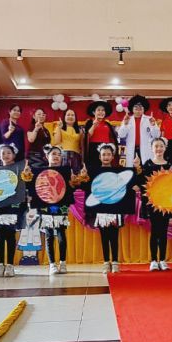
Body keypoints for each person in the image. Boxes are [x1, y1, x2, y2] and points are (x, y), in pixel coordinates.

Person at [28, 145, 71, 275]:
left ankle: (62, 262)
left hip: (61, 206)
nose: (56, 157)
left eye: (59, 154)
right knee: (49, 236)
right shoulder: (40, 172)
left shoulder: (65, 172)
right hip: (45, 206)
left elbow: (71, 188)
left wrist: (74, 181)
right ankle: (52, 264)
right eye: (53, 154)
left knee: (61, 235)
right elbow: (34, 188)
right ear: (47, 156)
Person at [0, 144, 27, 278]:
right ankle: (0, 265)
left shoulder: (19, 170)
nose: (5, 155)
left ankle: (10, 265)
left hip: (13, 208)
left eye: (8, 153)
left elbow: (24, 186)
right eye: (3, 153)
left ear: (14, 155)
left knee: (10, 237)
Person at [87, 143, 125, 273]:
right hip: (101, 209)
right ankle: (106, 262)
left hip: (115, 208)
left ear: (113, 156)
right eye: (103, 154)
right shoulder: (94, 172)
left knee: (114, 236)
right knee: (104, 236)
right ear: (99, 157)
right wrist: (84, 177)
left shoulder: (119, 172)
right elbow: (89, 188)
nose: (106, 157)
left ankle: (115, 262)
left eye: (109, 154)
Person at [142, 138, 172, 272]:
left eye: (161, 146)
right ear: (152, 148)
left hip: (166, 203)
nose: (159, 149)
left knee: (163, 231)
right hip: (153, 203)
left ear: (165, 148)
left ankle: (162, 260)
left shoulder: (170, 165)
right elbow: (143, 183)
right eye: (156, 146)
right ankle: (153, 260)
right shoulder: (147, 164)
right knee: (155, 231)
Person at [116, 95, 159, 168]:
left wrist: (153, 125)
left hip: (146, 149)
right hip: (132, 149)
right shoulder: (127, 119)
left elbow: (156, 135)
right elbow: (121, 135)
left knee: (146, 169)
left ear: (144, 109)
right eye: (136, 107)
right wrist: (125, 124)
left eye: (140, 107)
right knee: (132, 170)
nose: (138, 109)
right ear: (132, 109)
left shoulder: (150, 119)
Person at [84, 101, 118, 168]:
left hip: (106, 149)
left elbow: (112, 139)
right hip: (93, 149)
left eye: (103, 110)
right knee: (94, 169)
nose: (101, 112)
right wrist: (94, 125)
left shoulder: (108, 124)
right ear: (94, 112)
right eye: (98, 110)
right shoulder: (89, 122)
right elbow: (87, 136)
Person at [52, 108, 85, 173]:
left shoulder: (80, 131)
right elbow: (57, 142)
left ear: (75, 118)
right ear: (64, 117)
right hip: (63, 156)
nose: (70, 116)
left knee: (76, 176)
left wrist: (82, 160)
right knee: (64, 175)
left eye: (72, 115)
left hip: (76, 156)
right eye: (68, 115)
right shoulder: (59, 128)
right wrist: (59, 128)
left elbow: (82, 147)